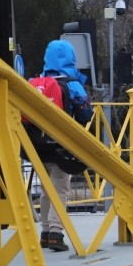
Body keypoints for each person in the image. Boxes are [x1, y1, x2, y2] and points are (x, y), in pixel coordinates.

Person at [31, 39, 93, 252]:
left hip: (37, 147)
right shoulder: (71, 83)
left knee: (47, 189)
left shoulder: (35, 82)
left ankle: (46, 233)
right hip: (61, 146)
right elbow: (86, 114)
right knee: (60, 188)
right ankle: (56, 233)